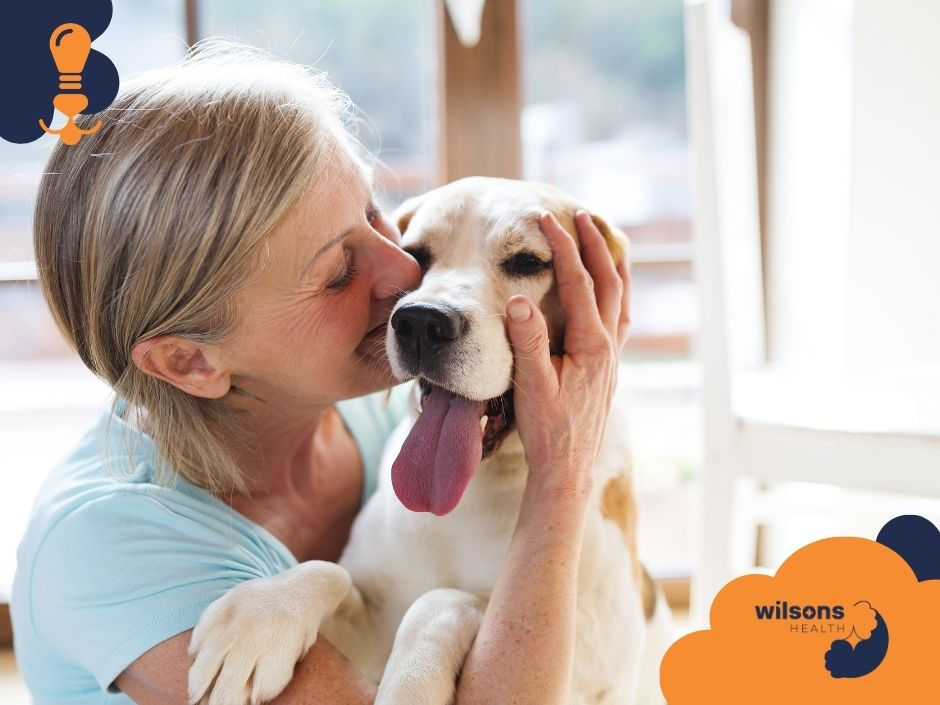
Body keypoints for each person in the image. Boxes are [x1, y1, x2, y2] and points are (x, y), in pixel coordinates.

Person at [11, 41, 630, 705]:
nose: (405, 277)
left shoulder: (384, 409)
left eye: (374, 215)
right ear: (190, 359)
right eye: (337, 272)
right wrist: (563, 474)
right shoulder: (111, 551)